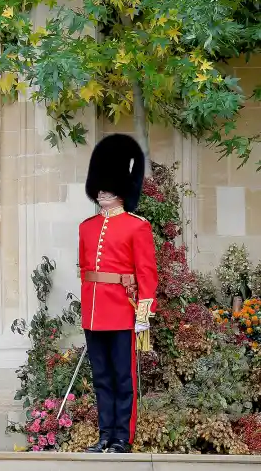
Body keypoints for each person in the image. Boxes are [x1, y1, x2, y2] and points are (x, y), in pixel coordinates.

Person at [80, 133, 158, 454]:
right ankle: (105, 435)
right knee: (101, 379)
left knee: (123, 380)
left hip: (123, 314)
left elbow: (147, 276)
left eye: (107, 186)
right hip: (95, 314)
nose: (101, 191)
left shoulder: (137, 226)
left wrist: (142, 317)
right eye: (99, 185)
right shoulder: (86, 227)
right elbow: (86, 274)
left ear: (120, 189)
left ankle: (122, 438)